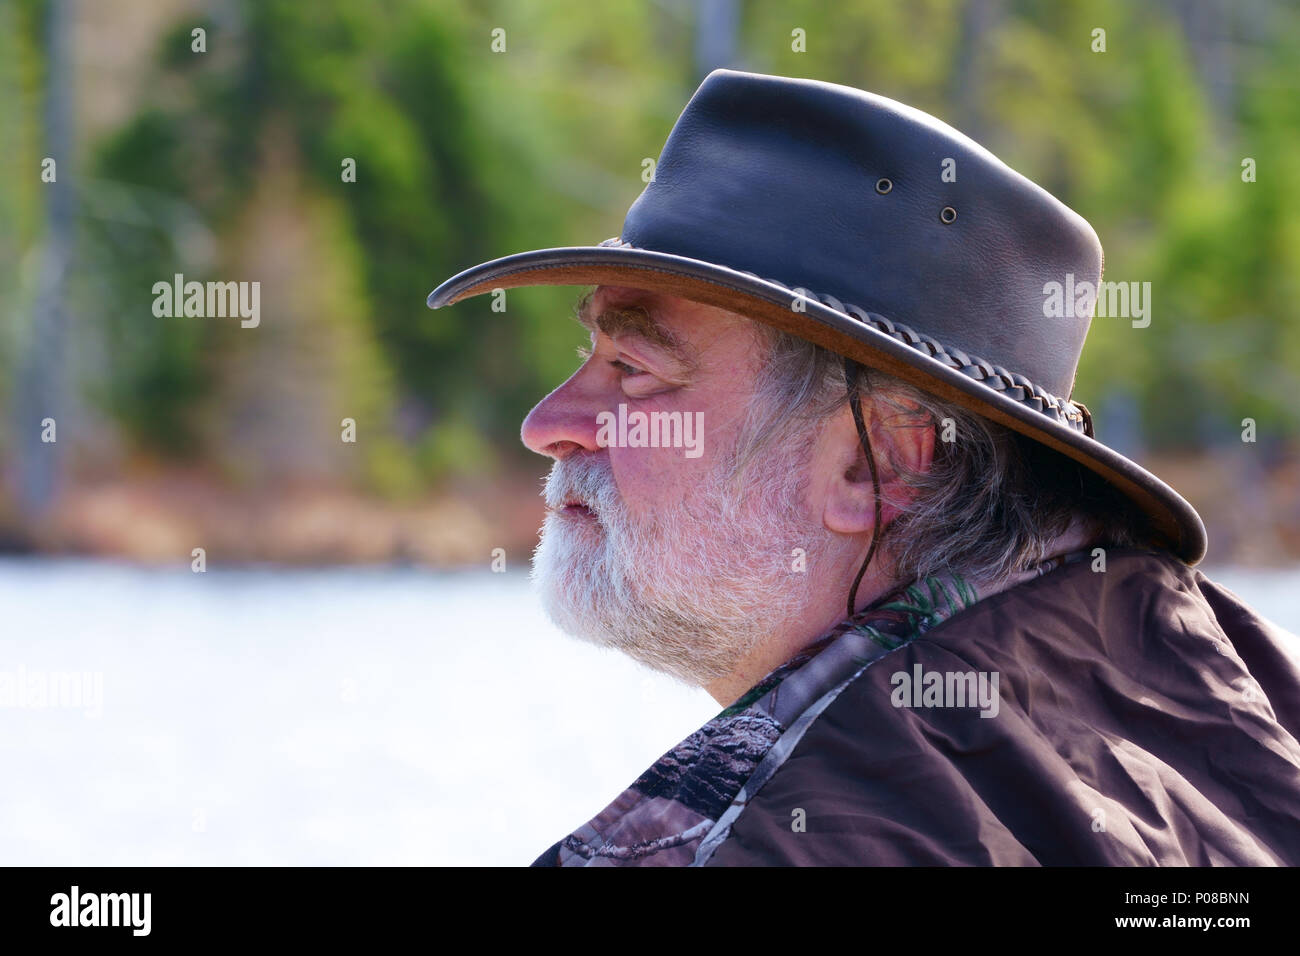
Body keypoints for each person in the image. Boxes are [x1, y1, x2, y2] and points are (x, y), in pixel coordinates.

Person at [428, 70, 1300, 866]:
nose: (549, 426)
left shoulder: (762, 848)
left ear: (877, 463)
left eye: (635, 370)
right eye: (591, 356)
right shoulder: (1250, 708)